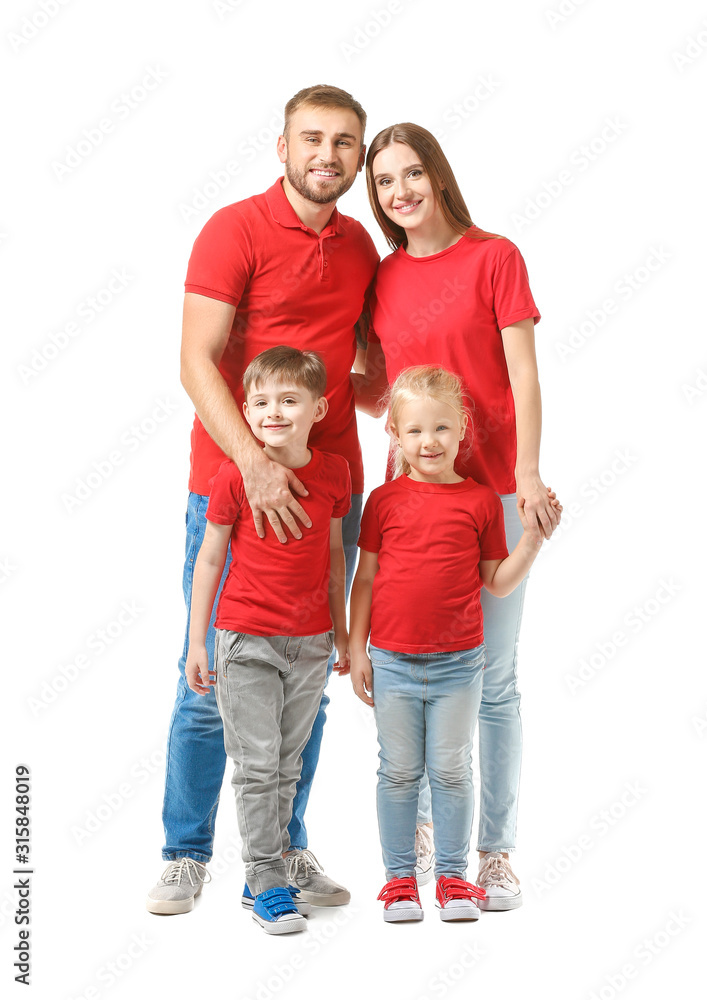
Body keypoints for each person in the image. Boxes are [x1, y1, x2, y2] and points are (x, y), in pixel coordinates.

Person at [146, 84, 378, 915]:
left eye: (345, 142)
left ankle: (279, 853)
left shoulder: (359, 249)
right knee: (210, 673)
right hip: (234, 490)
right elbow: (194, 359)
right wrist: (253, 463)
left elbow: (371, 370)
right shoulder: (233, 229)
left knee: (304, 684)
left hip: (328, 492)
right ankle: (186, 852)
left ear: (358, 155)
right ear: (281, 148)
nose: (328, 155)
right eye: (311, 139)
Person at [354, 123, 561, 908]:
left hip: (498, 486)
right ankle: (418, 846)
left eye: (412, 174)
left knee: (494, 679)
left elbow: (523, 377)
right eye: (384, 183)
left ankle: (495, 851)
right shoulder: (383, 275)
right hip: (414, 494)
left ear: (437, 177)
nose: (399, 192)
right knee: (411, 658)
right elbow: (385, 385)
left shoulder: (493, 256)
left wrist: (529, 473)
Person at [349, 366, 560, 922]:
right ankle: (398, 881)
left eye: (441, 428)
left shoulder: (481, 502)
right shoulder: (383, 501)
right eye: (415, 431)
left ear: (463, 429)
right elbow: (365, 578)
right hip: (392, 662)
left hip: (460, 665)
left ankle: (451, 878)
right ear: (394, 433)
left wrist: (532, 542)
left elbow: (497, 581)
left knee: (451, 771)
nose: (429, 442)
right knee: (397, 771)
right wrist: (356, 649)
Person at [184, 346, 350, 934]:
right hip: (244, 640)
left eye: (288, 400)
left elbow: (334, 557)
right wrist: (197, 643)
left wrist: (345, 633)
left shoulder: (333, 472)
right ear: (245, 412)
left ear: (318, 407)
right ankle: (264, 881)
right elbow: (209, 559)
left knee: (286, 764)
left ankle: (272, 867)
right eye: (259, 402)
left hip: (310, 644)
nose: (272, 411)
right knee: (256, 766)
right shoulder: (234, 477)